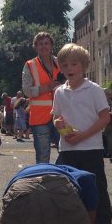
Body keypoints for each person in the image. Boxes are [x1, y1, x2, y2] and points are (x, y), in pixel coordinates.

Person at [50, 43, 112, 224]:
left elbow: (105, 117)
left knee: (98, 191)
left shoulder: (94, 90)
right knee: (71, 192)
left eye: (74, 64)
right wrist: (58, 125)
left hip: (91, 148)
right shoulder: (59, 92)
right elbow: (56, 117)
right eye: (65, 64)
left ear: (84, 65)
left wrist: (83, 135)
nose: (70, 68)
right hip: (68, 148)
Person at [22, 31, 63, 163]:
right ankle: (44, 180)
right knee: (43, 156)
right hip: (40, 119)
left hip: (62, 115)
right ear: (36, 47)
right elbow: (27, 90)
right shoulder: (30, 65)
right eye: (40, 44)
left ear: (51, 45)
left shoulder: (62, 62)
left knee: (68, 151)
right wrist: (46, 87)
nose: (44, 46)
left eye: (46, 43)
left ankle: (61, 176)